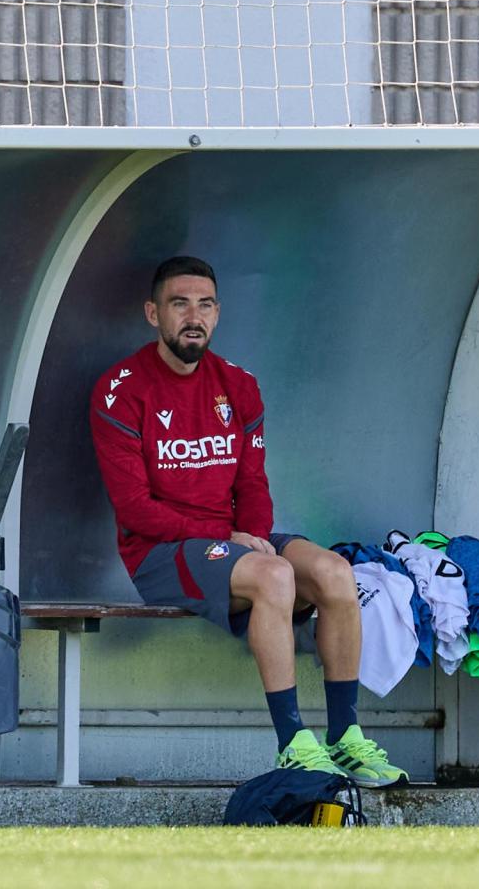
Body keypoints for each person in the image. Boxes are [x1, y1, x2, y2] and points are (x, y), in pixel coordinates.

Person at [88, 256, 406, 787]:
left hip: (231, 542)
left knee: (334, 572)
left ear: (218, 313)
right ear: (152, 313)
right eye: (179, 303)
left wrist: (254, 537)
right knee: (276, 575)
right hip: (160, 550)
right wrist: (231, 541)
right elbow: (134, 509)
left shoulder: (237, 384)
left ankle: (346, 739)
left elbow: (252, 484)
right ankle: (293, 745)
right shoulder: (119, 390)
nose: (195, 316)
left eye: (206, 304)